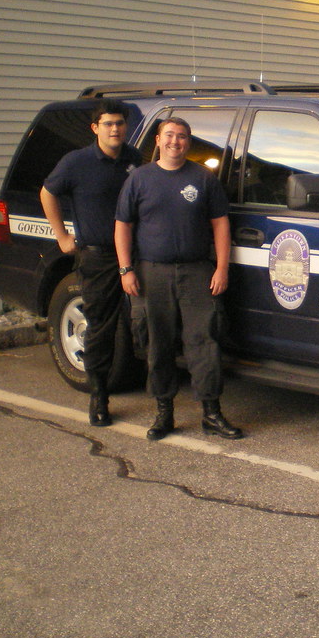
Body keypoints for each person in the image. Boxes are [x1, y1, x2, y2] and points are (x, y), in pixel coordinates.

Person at [114, 117, 243, 441]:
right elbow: (123, 226)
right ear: (158, 140)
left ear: (188, 142)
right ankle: (164, 413)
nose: (176, 141)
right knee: (157, 344)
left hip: (197, 272)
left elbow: (220, 225)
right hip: (150, 273)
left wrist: (222, 268)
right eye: (169, 135)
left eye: (182, 137)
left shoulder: (203, 178)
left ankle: (211, 414)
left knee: (205, 342)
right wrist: (126, 269)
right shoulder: (139, 179)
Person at [40, 99, 141, 427]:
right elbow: (47, 193)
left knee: (146, 319)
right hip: (99, 256)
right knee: (102, 328)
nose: (115, 129)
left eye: (120, 124)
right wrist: (61, 236)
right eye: (108, 124)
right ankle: (99, 397)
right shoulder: (76, 162)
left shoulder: (134, 160)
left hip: (139, 252)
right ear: (95, 128)